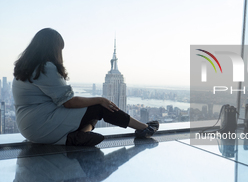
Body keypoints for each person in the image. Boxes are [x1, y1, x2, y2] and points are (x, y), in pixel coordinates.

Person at [12, 28, 159, 146]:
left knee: (92, 110)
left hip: (28, 127)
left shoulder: (25, 68)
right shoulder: (45, 68)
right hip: (40, 125)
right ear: (52, 49)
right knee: (100, 107)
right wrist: (100, 99)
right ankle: (144, 128)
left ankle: (80, 135)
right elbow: (69, 102)